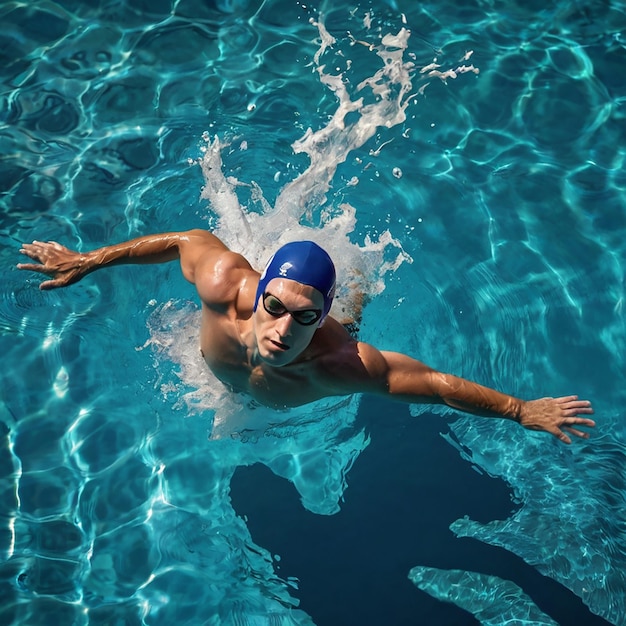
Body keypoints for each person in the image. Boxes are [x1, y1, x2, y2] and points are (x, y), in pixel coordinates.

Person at [17, 229, 595, 443]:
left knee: (354, 318)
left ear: (321, 318)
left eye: (305, 317)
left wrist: (521, 410)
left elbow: (435, 384)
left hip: (323, 351)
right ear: (259, 289)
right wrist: (90, 260)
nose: (284, 327)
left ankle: (356, 289)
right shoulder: (225, 283)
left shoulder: (339, 362)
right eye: (275, 306)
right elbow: (182, 242)